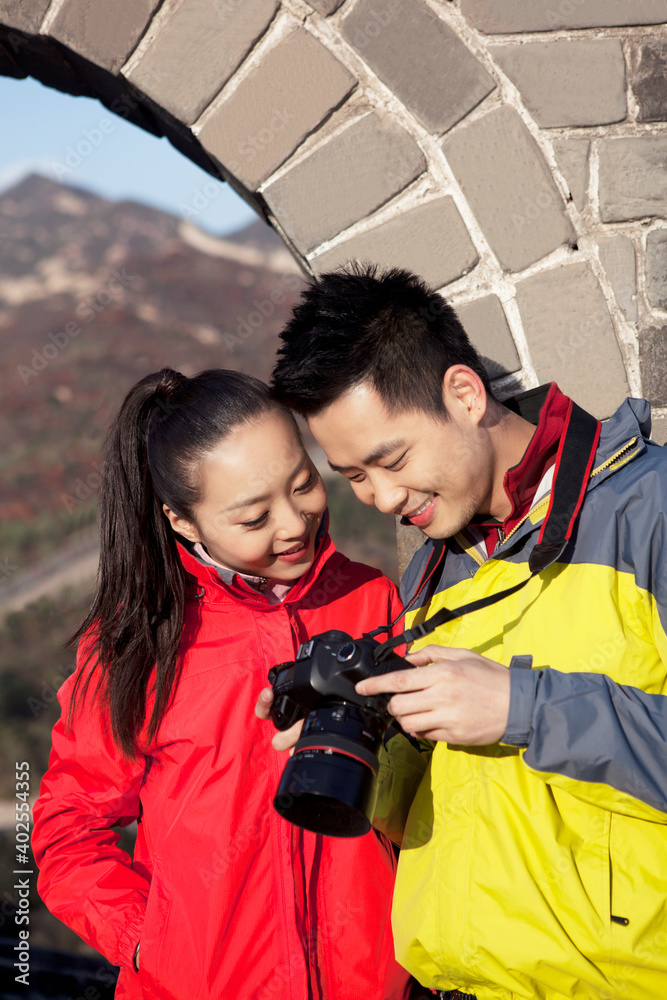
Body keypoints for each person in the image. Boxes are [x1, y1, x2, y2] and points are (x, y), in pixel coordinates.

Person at [261, 264, 667, 1000]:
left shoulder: (650, 509)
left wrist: (523, 707)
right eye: (353, 475)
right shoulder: (432, 574)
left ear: (463, 393)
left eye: (390, 460)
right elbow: (462, 805)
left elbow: (523, 720)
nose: (381, 497)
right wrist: (360, 761)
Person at [32, 367, 412, 1000]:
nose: (293, 524)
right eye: (254, 516)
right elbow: (68, 827)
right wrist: (151, 942)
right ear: (183, 522)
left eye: (303, 485)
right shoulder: (140, 644)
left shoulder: (373, 601)